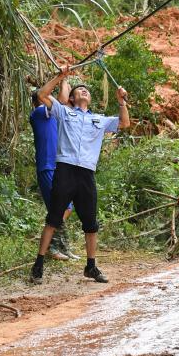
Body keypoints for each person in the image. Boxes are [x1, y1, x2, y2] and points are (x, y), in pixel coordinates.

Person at [30, 64, 129, 285]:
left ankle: (91, 266)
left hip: (86, 173)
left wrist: (121, 101)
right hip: (64, 169)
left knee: (90, 223)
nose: (84, 91)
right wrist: (61, 77)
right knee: (53, 218)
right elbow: (42, 94)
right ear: (72, 99)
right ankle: (38, 264)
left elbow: (124, 122)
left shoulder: (99, 120)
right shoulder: (64, 112)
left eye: (87, 90)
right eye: (79, 90)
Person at [29, 90, 78, 261]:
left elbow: (64, 102)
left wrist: (65, 79)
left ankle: (62, 245)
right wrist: (62, 77)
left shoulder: (53, 116)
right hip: (47, 167)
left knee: (68, 207)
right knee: (61, 208)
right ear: (39, 100)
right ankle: (52, 246)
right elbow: (64, 100)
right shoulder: (39, 113)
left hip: (58, 167)